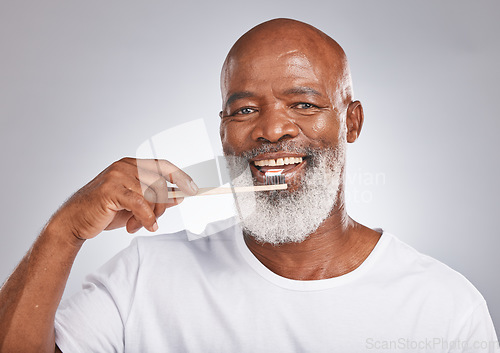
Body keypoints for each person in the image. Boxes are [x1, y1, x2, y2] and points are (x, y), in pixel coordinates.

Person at [0, 18, 498, 353]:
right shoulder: (143, 278)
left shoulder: (444, 309)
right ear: (223, 135)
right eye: (244, 110)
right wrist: (64, 230)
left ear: (351, 122)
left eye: (303, 104)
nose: (271, 129)